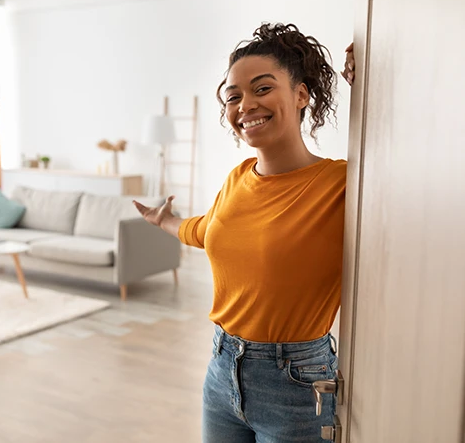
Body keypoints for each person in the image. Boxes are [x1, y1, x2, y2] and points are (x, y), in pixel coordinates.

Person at [133, 23, 356, 443]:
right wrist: (163, 221)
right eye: (233, 96)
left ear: (302, 94)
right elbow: (209, 231)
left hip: (296, 385)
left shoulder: (343, 183)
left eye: (262, 88)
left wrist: (382, 84)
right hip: (221, 371)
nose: (245, 105)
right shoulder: (238, 178)